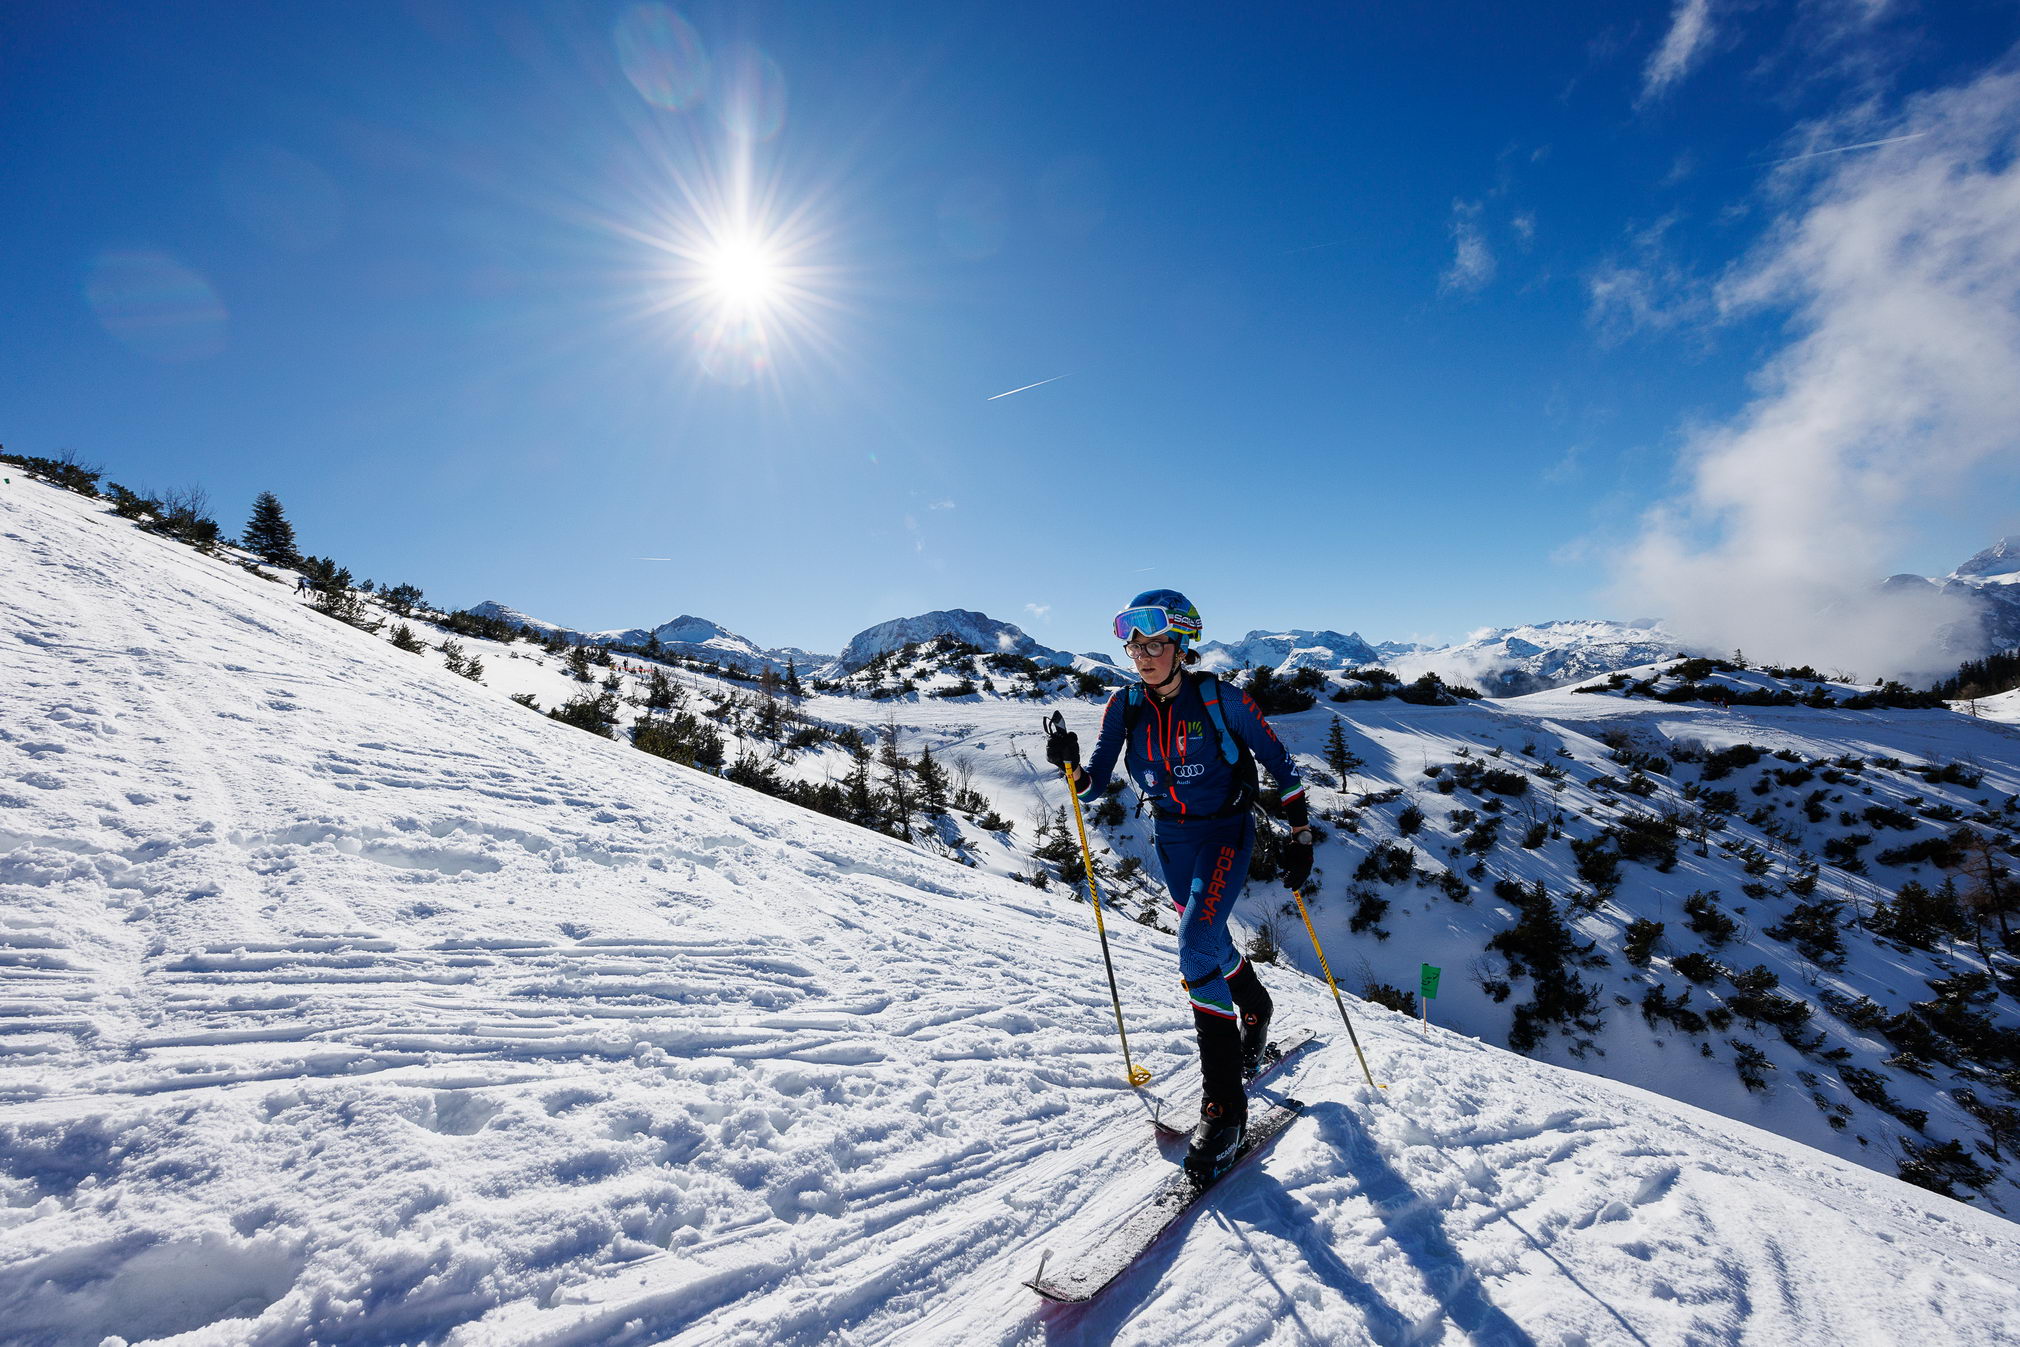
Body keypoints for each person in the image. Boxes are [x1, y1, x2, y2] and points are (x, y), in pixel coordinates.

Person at [1045, 589, 1314, 1182]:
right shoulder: (1125, 706)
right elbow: (1091, 780)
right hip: (1172, 838)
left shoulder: (1222, 699)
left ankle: (1225, 1111)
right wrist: (1069, 764)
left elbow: (1280, 762)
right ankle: (1256, 1004)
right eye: (1135, 645)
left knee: (1193, 942)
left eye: (1157, 643)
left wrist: (1299, 833)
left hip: (1226, 832)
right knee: (1209, 942)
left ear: (1182, 645)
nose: (1144, 655)